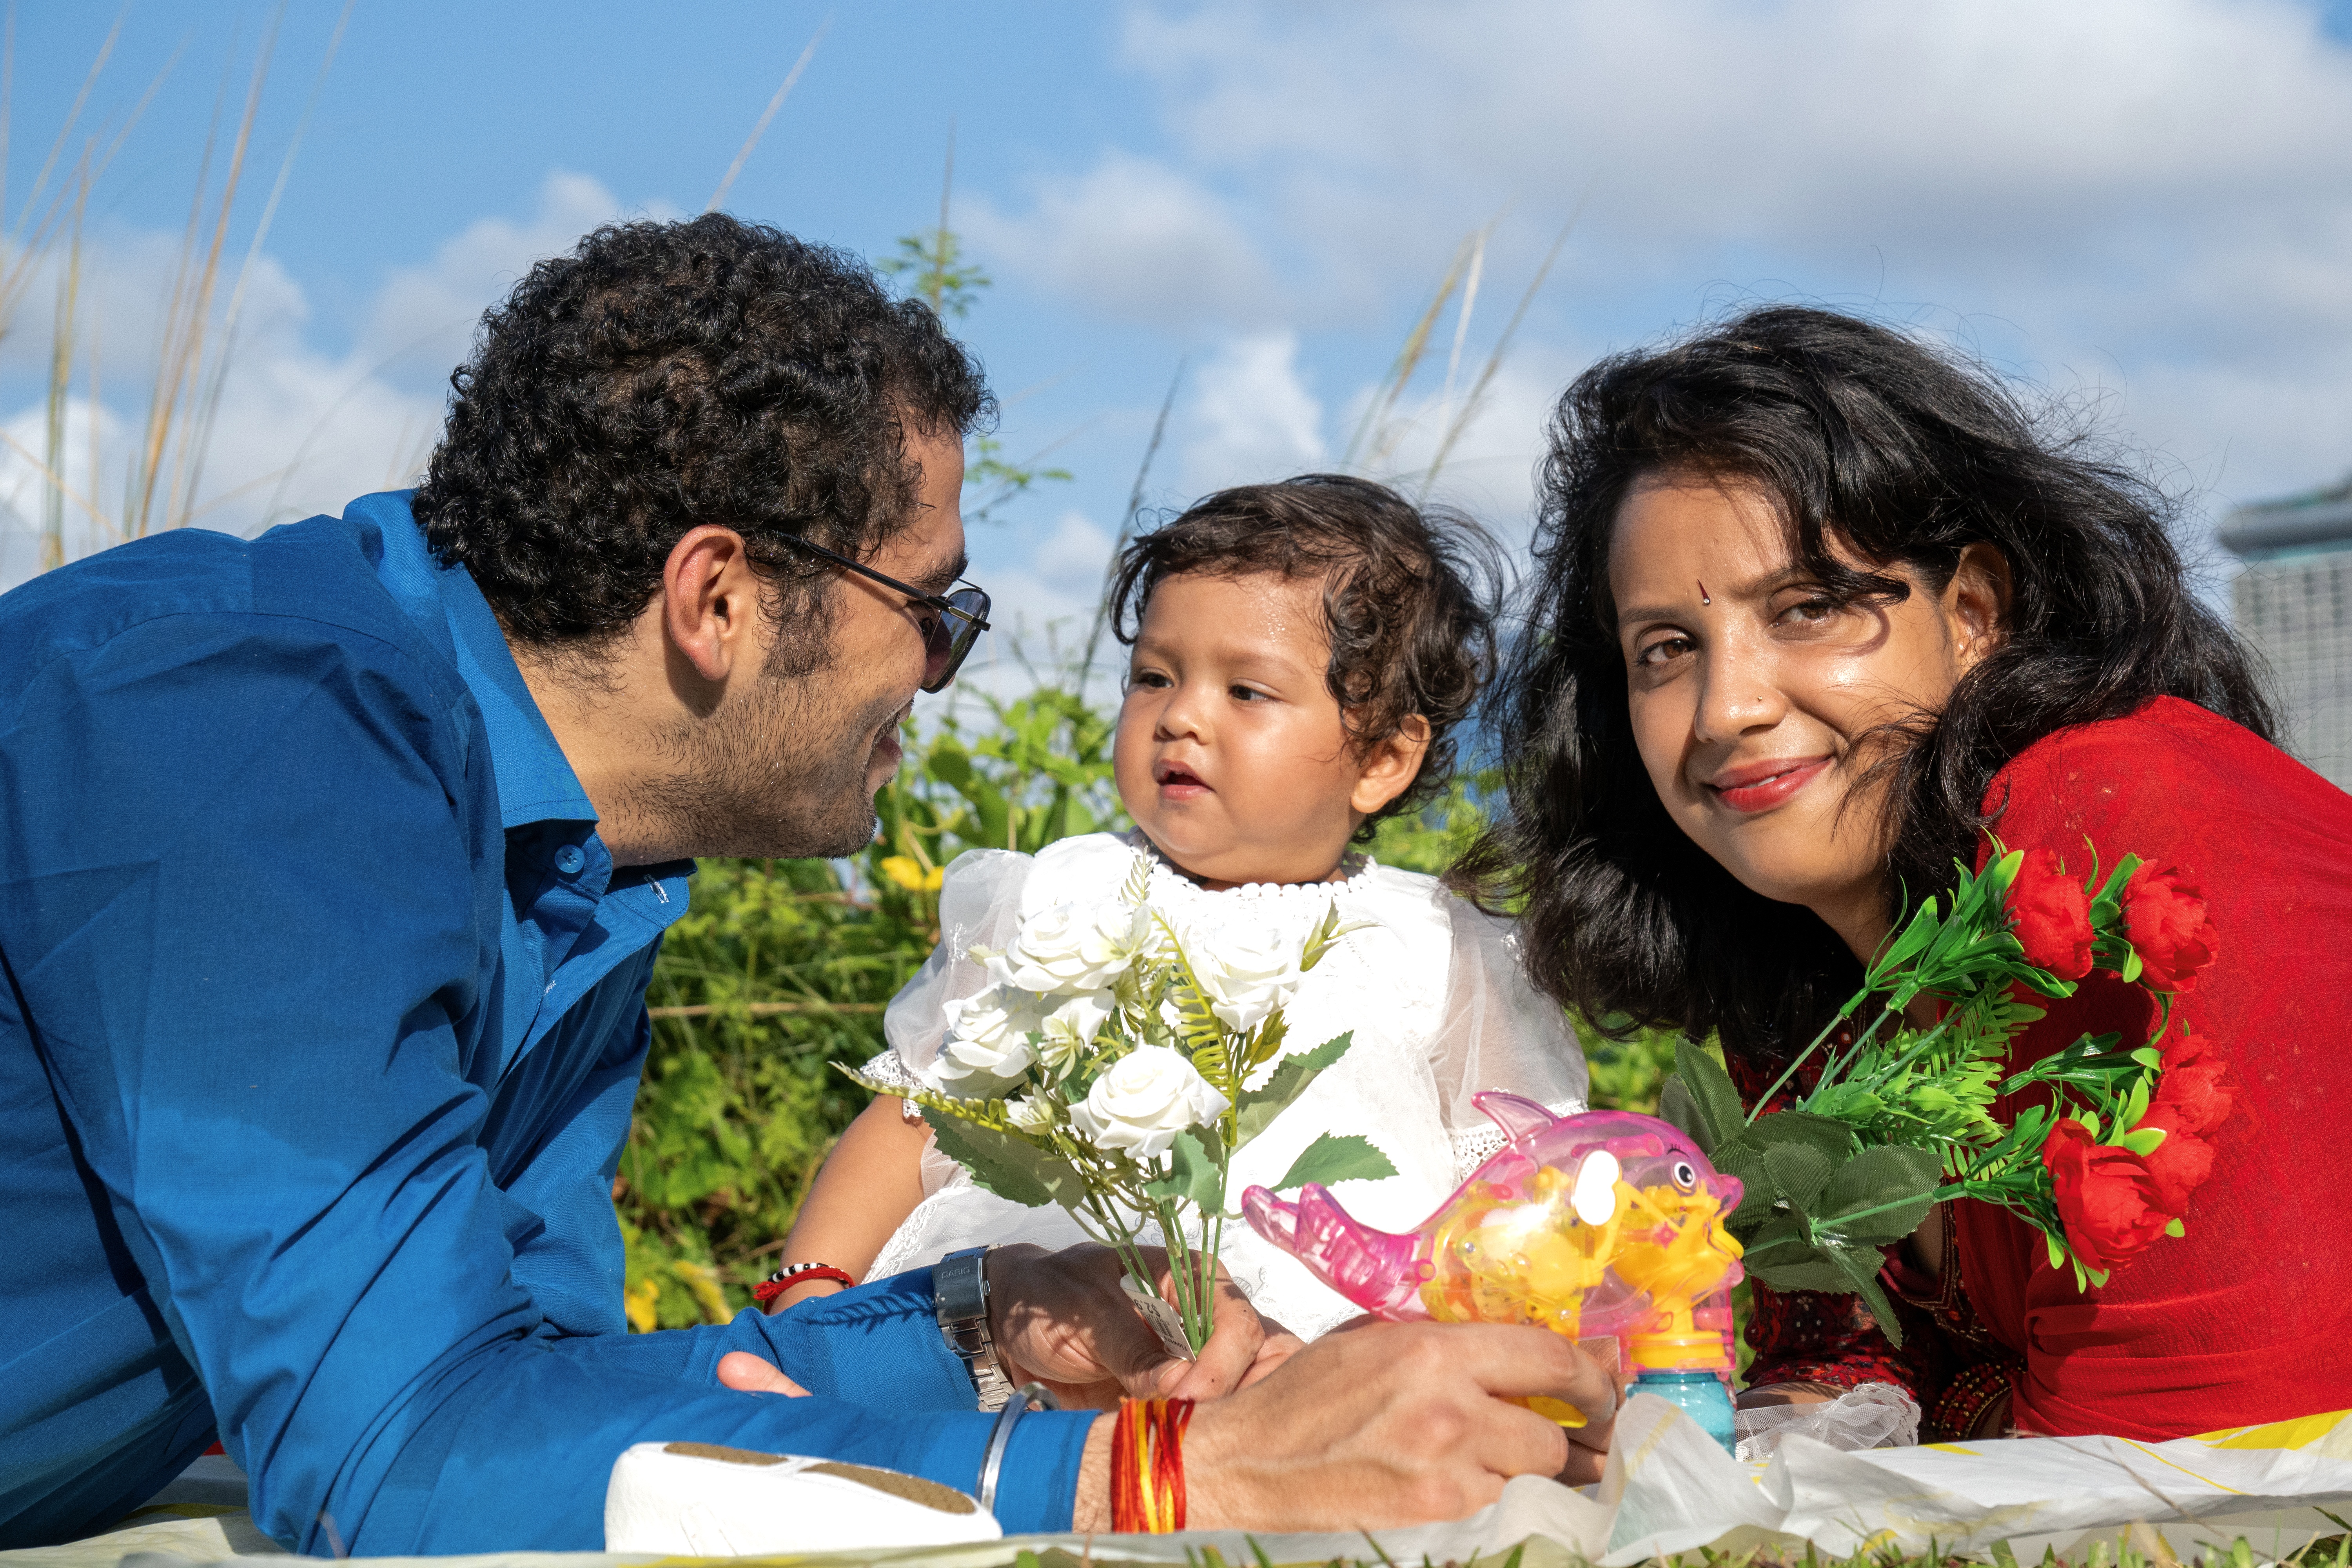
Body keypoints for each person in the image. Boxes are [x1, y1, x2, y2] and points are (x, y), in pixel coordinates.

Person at [0, 216, 1616, 1552]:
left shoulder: (573, 863)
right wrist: (1165, 1476)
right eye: (932, 606)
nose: (943, 668)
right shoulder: (244, 731)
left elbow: (535, 1386)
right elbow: (410, 1453)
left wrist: (977, 1324)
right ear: (717, 597)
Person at [1459, 304, 2352, 1442]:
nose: (1727, 709)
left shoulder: (2109, 813)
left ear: (1975, 612)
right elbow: (1830, 1378)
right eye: (1666, 651)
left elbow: (2189, 1455)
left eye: (1808, 608)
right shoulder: (1809, 975)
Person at [768, 477, 1592, 1341]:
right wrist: (815, 1291)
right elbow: (916, 1116)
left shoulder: (1437, 945)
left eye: (1247, 692)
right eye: (1155, 676)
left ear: (1382, 757)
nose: (1181, 717)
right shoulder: (1057, 892)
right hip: (1044, 1319)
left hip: (1327, 1344)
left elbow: (1521, 1183)